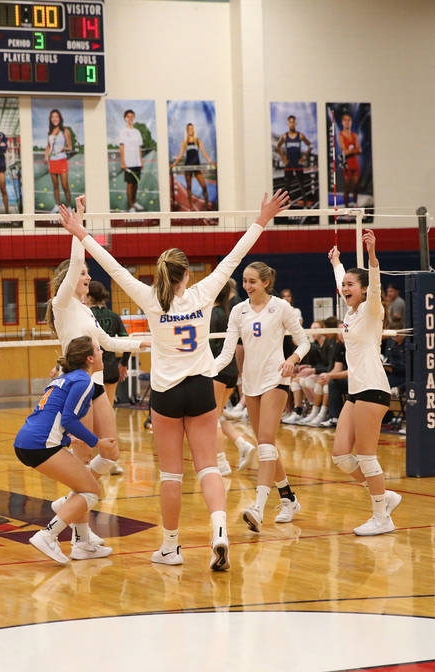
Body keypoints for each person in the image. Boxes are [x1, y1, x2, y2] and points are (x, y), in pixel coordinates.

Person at [60, 189, 292, 570]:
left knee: (171, 474)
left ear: (160, 274)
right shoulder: (202, 293)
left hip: (166, 394)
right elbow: (235, 256)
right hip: (201, 387)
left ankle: (171, 547)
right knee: (209, 467)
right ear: (187, 274)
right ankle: (219, 531)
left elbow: (112, 265)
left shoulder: (149, 297)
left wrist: (78, 230)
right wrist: (262, 217)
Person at [213, 262, 309, 532]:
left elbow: (304, 341)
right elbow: (227, 351)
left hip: (276, 378)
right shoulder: (238, 311)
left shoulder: (281, 307)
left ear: (266, 283)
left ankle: (258, 507)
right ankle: (288, 498)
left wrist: (292, 359)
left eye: (252, 281)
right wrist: (206, 369)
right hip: (251, 383)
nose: (247, 286)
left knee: (266, 441)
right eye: (244, 281)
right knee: (266, 445)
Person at [46, 234, 146, 481]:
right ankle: (79, 513)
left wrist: (143, 343)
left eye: (87, 273)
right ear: (68, 278)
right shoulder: (61, 303)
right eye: (82, 273)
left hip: (97, 383)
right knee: (84, 455)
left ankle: (73, 500)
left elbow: (109, 342)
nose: (88, 277)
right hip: (75, 383)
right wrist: (77, 229)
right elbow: (77, 258)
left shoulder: (86, 310)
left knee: (111, 451)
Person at [15, 336, 116, 563]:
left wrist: (69, 441)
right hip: (40, 445)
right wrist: (97, 442)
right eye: (98, 350)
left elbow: (54, 416)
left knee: (83, 485)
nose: (102, 353)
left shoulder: (66, 378)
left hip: (29, 441)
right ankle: (48, 535)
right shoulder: (83, 381)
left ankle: (82, 543)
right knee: (91, 491)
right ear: (90, 358)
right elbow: (69, 419)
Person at [328, 232, 402, 536]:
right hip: (356, 391)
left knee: (367, 455)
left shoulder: (372, 311)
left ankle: (381, 516)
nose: (344, 288)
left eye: (350, 284)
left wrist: (372, 255)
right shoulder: (351, 312)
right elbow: (340, 284)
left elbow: (374, 284)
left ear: (364, 290)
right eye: (343, 284)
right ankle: (386, 497)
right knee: (342, 456)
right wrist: (337, 263)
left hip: (373, 389)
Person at [210, 279, 256, 474]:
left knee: (211, 419)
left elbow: (210, 347)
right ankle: (243, 445)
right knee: (217, 415)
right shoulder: (227, 313)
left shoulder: (214, 314)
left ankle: (221, 463)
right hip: (230, 370)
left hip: (217, 370)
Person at [87, 281, 130, 407]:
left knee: (92, 412)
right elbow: (126, 342)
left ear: (89, 297)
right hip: (111, 370)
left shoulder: (87, 315)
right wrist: (123, 364)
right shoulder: (114, 316)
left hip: (93, 370)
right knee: (108, 410)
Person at [171, 123, 215, 211]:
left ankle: (206, 205)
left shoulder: (197, 140)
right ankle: (191, 206)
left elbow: (204, 152)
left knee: (204, 186)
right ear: (187, 130)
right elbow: (180, 155)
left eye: (192, 128)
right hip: (188, 167)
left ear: (193, 130)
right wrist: (174, 164)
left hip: (197, 166)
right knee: (189, 187)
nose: (190, 130)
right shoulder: (185, 142)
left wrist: (210, 162)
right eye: (189, 129)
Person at [277, 115, 313, 206]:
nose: (292, 124)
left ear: (295, 123)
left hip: (298, 163)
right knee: (287, 185)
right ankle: (284, 203)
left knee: (301, 184)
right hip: (289, 163)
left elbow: (310, 145)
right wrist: (284, 158)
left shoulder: (300, 136)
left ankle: (305, 202)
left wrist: (304, 157)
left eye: (293, 122)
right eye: (290, 122)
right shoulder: (284, 136)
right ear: (288, 124)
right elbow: (278, 146)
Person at [44, 108, 73, 212]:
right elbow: (48, 146)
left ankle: (69, 206)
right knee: (55, 185)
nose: (54, 119)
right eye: (52, 117)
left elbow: (70, 147)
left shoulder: (65, 131)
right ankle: (57, 205)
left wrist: (64, 148)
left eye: (56, 116)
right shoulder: (50, 132)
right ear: (50, 119)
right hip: (52, 161)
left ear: (60, 118)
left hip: (62, 160)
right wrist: (46, 156)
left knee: (65, 185)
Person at [118, 109, 144, 212]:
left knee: (136, 184)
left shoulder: (137, 132)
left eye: (132, 116)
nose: (130, 118)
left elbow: (139, 148)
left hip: (137, 162)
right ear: (125, 118)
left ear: (134, 118)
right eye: (128, 116)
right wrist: (123, 162)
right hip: (128, 163)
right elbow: (121, 147)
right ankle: (131, 206)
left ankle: (134, 201)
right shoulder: (123, 132)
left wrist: (141, 161)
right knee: (130, 184)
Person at [338, 112, 361, 207]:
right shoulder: (341, 135)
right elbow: (345, 152)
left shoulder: (354, 135)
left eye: (349, 120)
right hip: (347, 164)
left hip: (355, 164)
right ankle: (346, 208)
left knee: (355, 186)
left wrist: (351, 150)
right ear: (342, 122)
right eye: (345, 120)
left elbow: (359, 150)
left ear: (351, 122)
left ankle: (355, 204)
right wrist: (354, 150)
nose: (347, 122)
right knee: (347, 187)